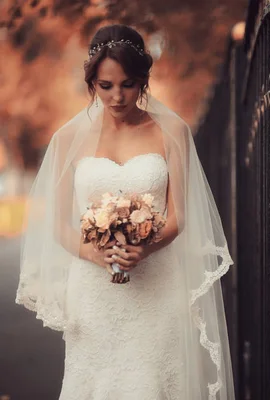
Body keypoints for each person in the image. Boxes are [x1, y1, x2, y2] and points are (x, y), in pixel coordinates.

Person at [15, 24, 235, 399]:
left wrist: (144, 248)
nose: (118, 96)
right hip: (93, 292)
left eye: (129, 84)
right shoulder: (68, 139)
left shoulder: (172, 132)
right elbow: (57, 224)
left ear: (144, 81)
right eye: (106, 86)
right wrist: (97, 256)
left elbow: (179, 215)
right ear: (92, 83)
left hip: (158, 286)